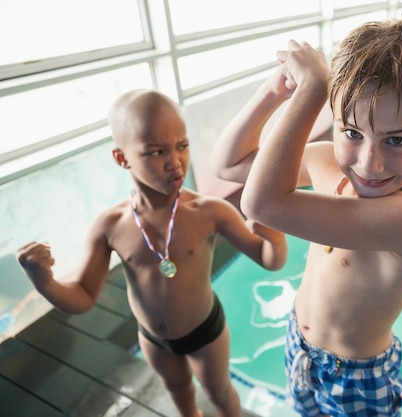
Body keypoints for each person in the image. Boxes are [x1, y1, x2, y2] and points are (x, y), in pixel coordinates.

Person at [211, 17, 402, 417]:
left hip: (358, 376)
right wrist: (274, 91)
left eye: (397, 139)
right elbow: (229, 165)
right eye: (352, 132)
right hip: (298, 344)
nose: (369, 162)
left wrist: (312, 90)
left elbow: (259, 203)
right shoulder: (326, 163)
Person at [15, 89, 288, 417]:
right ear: (122, 158)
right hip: (153, 339)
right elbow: (83, 297)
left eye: (182, 146)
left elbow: (271, 261)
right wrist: (43, 281)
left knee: (219, 392)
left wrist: (274, 235)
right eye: (156, 152)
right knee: (178, 391)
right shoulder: (110, 225)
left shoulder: (210, 211)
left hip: (206, 333)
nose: (175, 162)